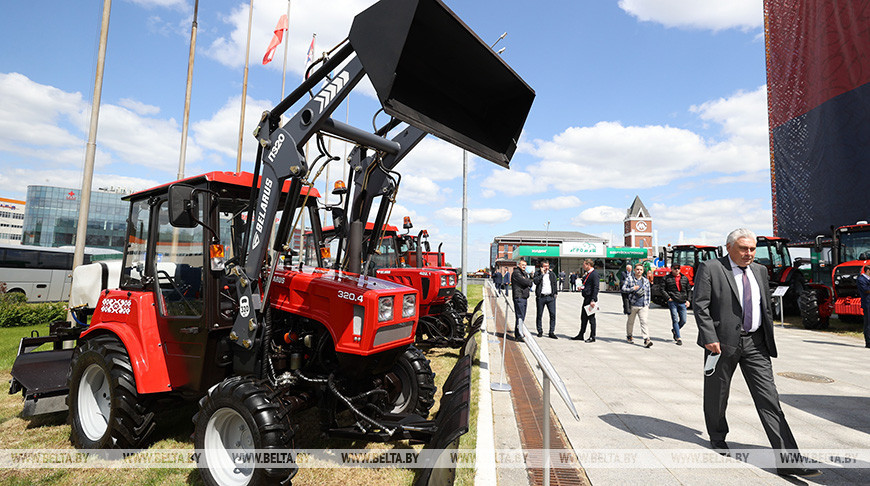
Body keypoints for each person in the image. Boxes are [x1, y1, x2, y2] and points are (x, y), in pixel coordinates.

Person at [694, 228, 820, 477]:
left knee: (769, 400)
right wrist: (709, 338)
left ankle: (788, 461)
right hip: (721, 344)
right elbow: (701, 305)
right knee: (717, 395)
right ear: (729, 247)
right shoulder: (711, 268)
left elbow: (765, 306)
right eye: (743, 248)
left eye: (752, 249)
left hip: (756, 344)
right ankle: (717, 436)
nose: (748, 253)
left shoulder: (760, 271)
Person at [623, 263, 653, 347]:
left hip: (643, 305)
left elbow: (648, 292)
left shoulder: (645, 280)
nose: (639, 271)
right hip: (633, 304)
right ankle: (629, 335)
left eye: (641, 270)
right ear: (634, 270)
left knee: (644, 322)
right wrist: (633, 288)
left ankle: (646, 339)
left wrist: (648, 304)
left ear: (643, 271)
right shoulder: (629, 279)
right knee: (630, 322)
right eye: (637, 269)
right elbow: (623, 289)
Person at [572, 259, 599, 342]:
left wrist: (593, 300)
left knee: (591, 319)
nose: (583, 266)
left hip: (590, 299)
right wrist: (582, 288)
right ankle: (581, 334)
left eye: (584, 265)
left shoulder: (594, 274)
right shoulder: (588, 274)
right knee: (583, 317)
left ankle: (592, 336)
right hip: (586, 298)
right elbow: (588, 285)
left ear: (588, 265)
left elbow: (596, 287)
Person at [664, 265, 689, 345]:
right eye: (675, 268)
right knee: (675, 319)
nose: (677, 270)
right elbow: (662, 289)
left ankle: (675, 330)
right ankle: (678, 338)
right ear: (671, 269)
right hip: (673, 301)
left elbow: (688, 290)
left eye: (678, 268)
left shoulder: (684, 278)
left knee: (683, 320)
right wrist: (668, 298)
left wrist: (688, 300)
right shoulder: (666, 278)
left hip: (682, 301)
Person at [533, 260, 558, 339]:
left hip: (550, 297)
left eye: (547, 266)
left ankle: (551, 332)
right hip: (541, 297)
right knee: (539, 314)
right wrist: (542, 274)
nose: (546, 268)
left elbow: (554, 284)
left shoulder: (552, 274)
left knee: (553, 314)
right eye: (545, 266)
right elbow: (536, 282)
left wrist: (555, 293)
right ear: (541, 267)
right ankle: (540, 331)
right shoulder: (537, 274)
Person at [511, 260, 533, 342]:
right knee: (520, 317)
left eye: (525, 265)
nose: (524, 266)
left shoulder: (523, 273)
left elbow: (528, 282)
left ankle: (519, 333)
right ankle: (518, 335)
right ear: (519, 265)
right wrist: (528, 281)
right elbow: (526, 282)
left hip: (523, 297)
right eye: (523, 265)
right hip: (519, 297)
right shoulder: (517, 273)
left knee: (521, 317)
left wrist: (528, 281)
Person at [856, 264, 870, 348]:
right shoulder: (861, 279)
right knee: (868, 323)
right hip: (867, 304)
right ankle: (868, 342)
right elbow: (866, 290)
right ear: (868, 271)